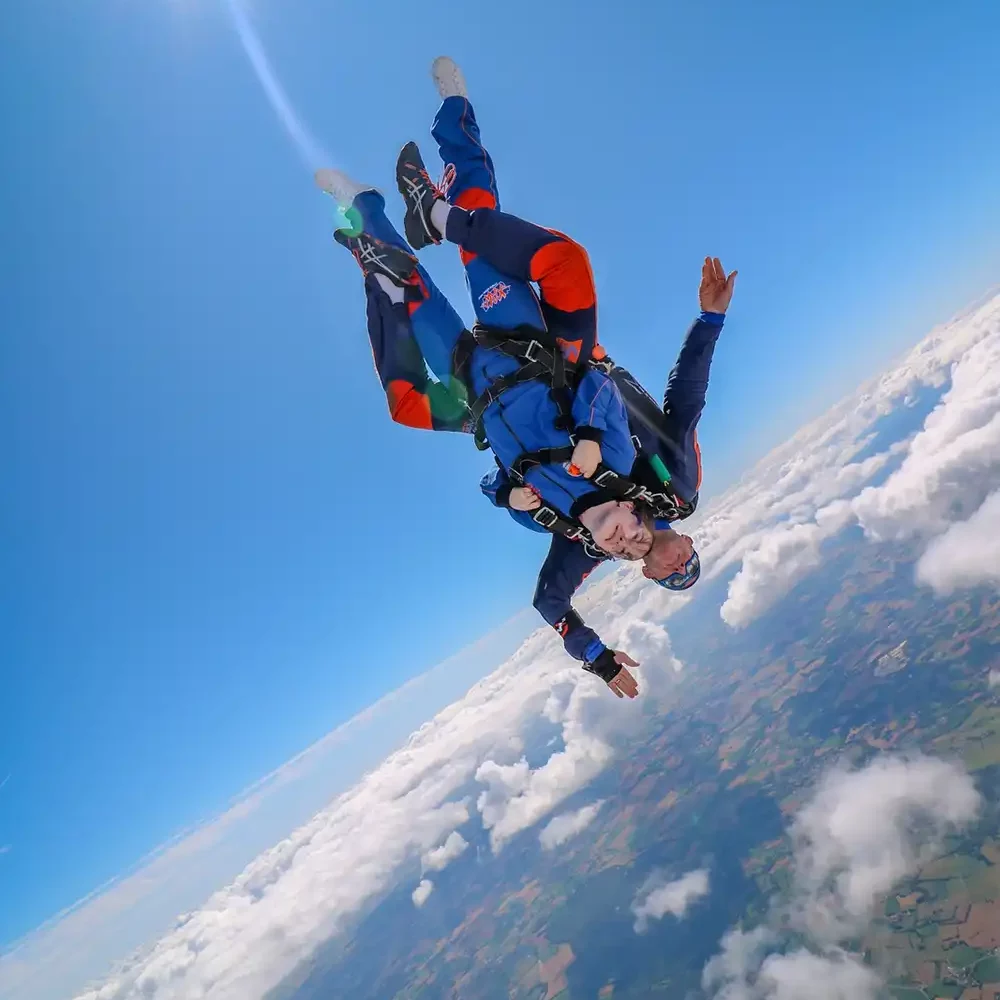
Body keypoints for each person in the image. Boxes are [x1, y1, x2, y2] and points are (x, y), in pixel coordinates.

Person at [316, 58, 735, 698]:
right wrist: (707, 322)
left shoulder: (582, 544)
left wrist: (598, 660)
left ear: (646, 577)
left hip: (480, 397)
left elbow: (549, 601)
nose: (678, 562)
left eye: (674, 575)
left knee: (404, 392)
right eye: (689, 562)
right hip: (551, 362)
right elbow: (686, 400)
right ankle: (447, 153)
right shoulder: (673, 488)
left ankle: (364, 222)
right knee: (513, 240)